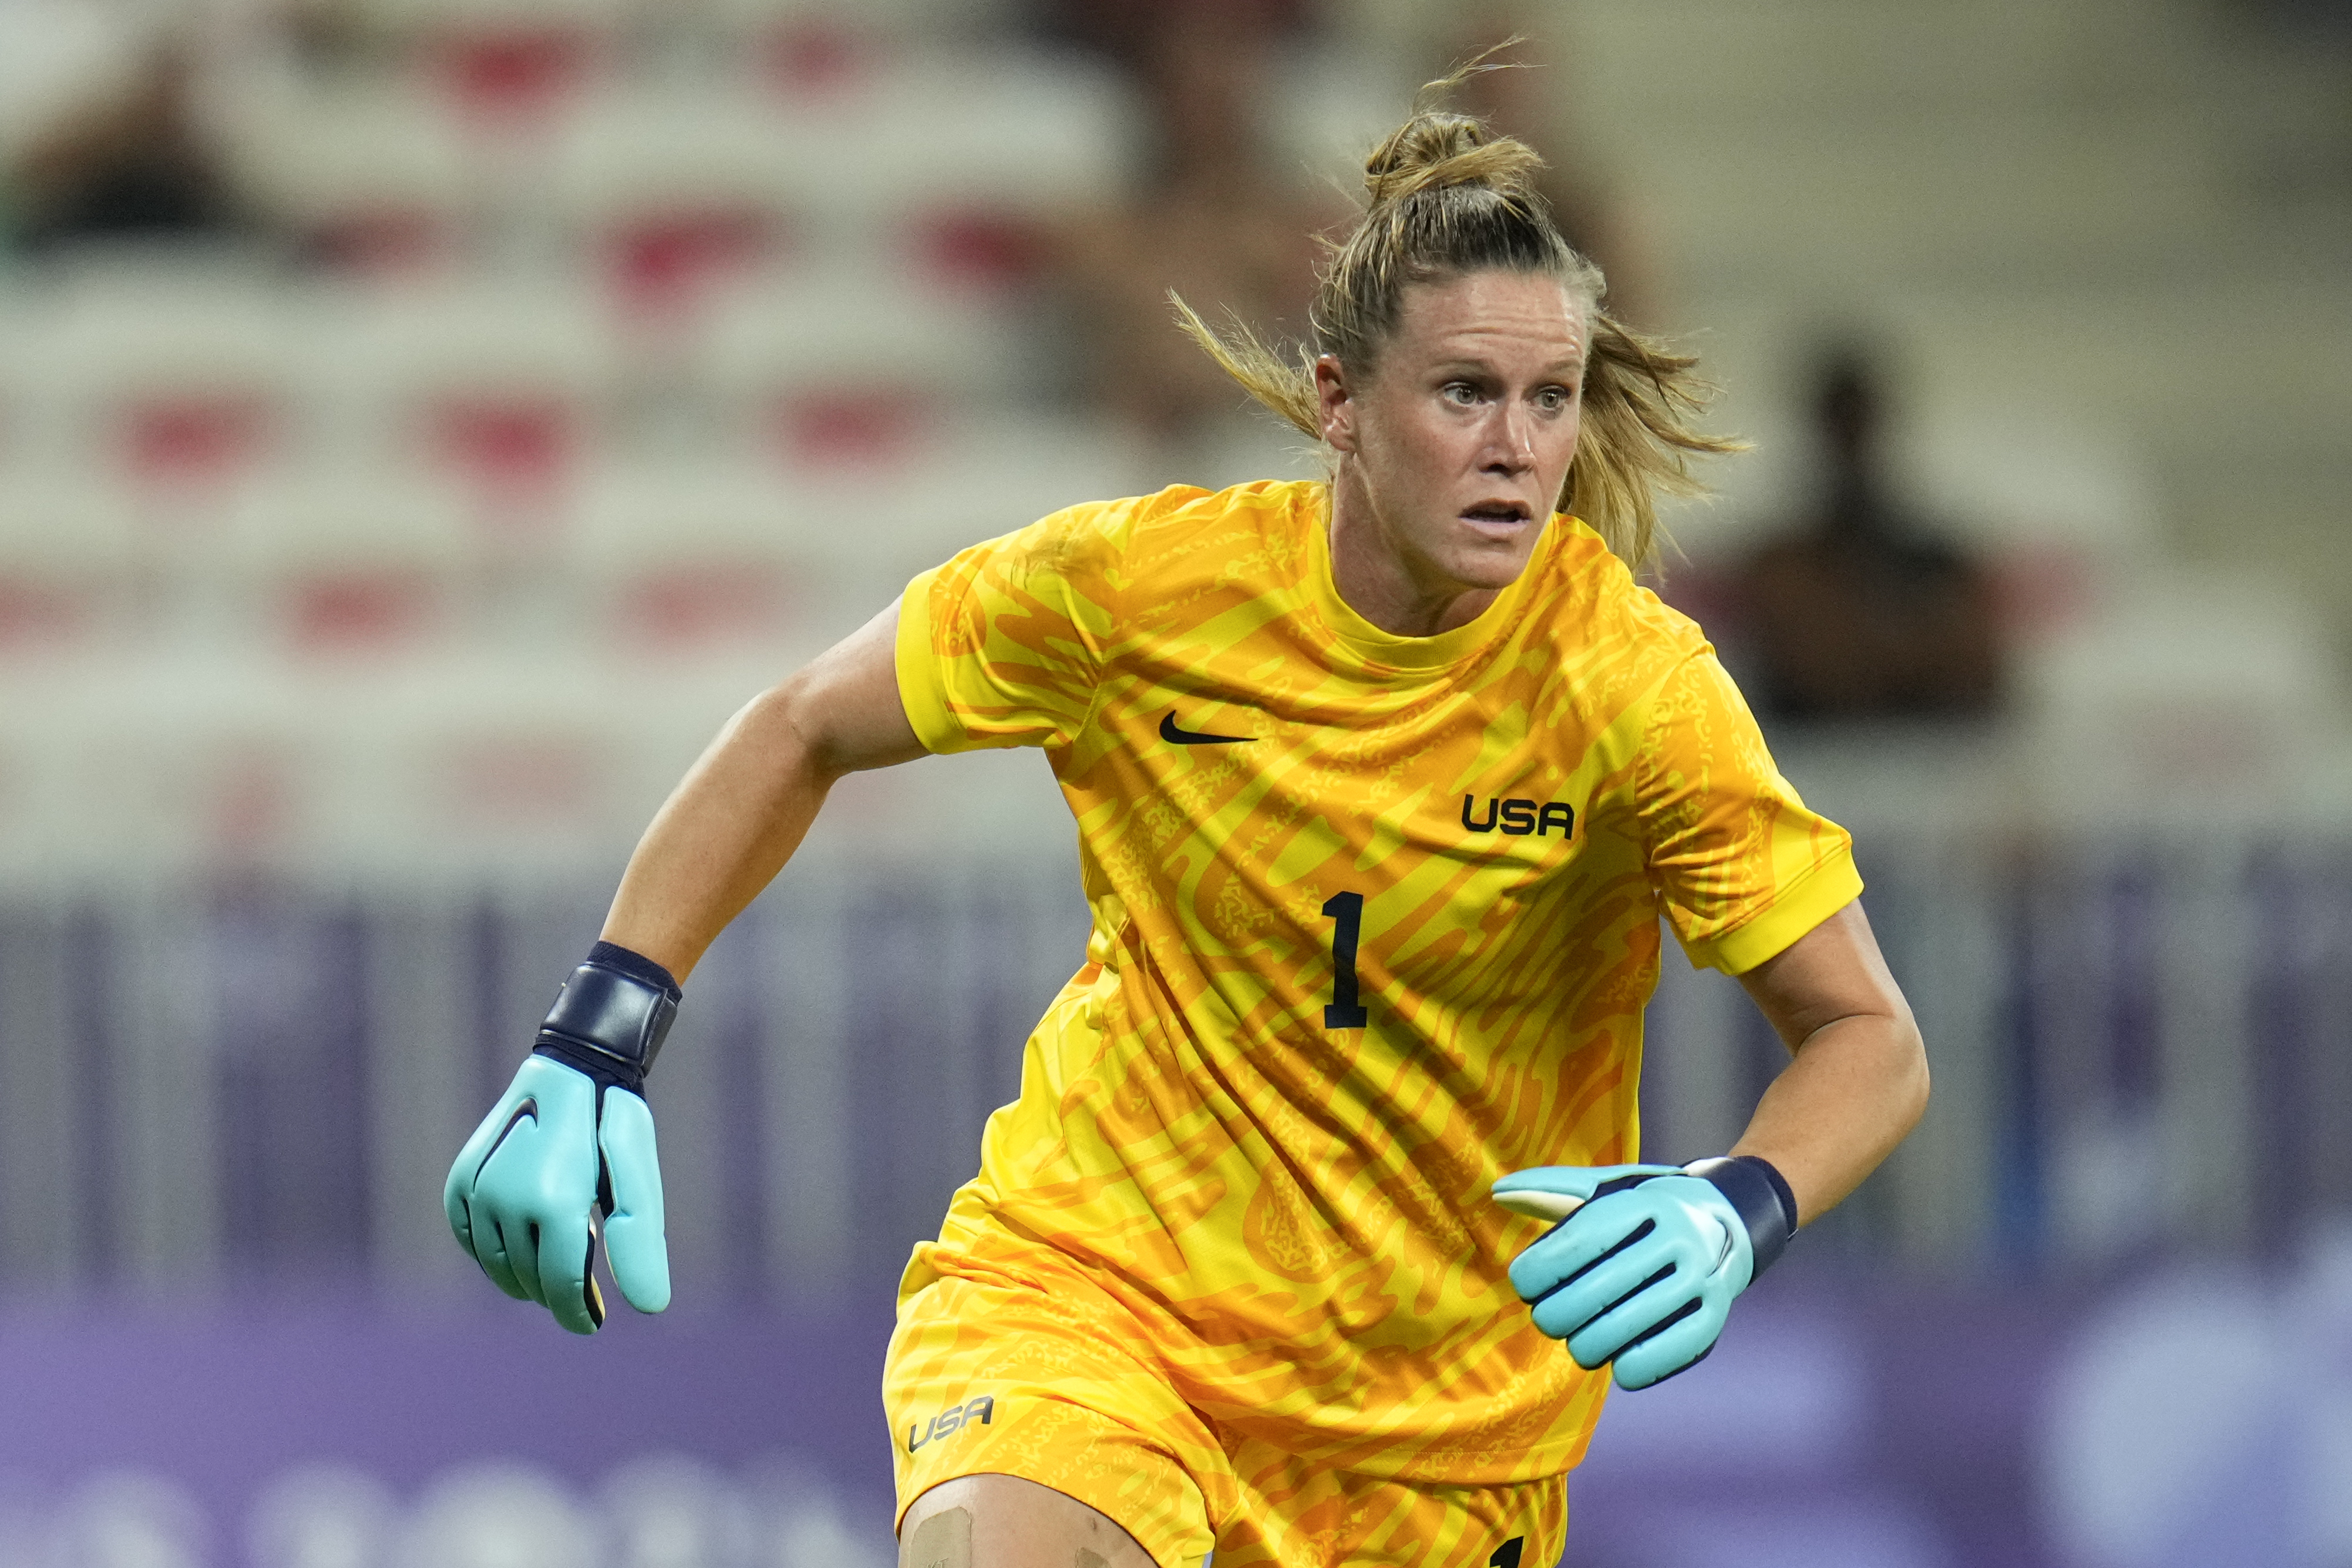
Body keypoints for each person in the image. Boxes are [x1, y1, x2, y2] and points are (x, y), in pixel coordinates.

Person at [444, 78, 1929, 1568]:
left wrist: (1742, 1204)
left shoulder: (1633, 690)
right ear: (1339, 401)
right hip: (1098, 1308)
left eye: (1552, 399)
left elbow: (1867, 1035)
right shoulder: (1139, 593)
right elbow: (804, 723)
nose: (1519, 447)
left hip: (1436, 1445)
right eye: (1466, 391)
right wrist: (596, 1032)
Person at [1727, 345, 2006, 722]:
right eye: (1844, 426)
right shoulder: (1786, 565)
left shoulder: (1943, 561)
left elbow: (1979, 673)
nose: (1853, 442)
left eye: (1860, 424)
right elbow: (1821, 672)